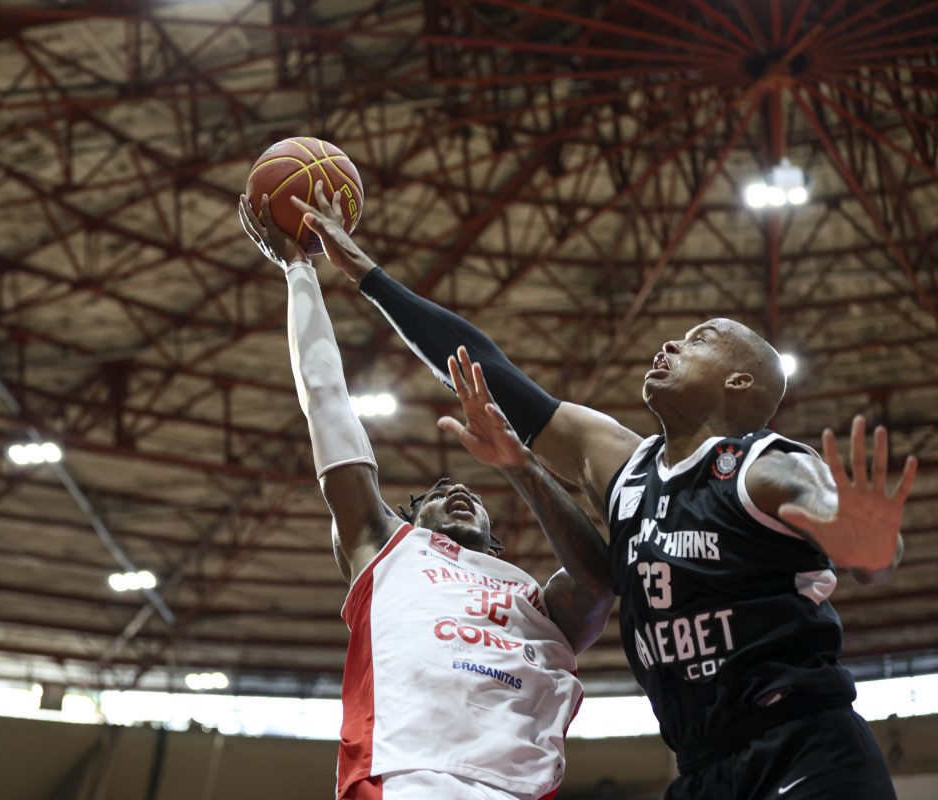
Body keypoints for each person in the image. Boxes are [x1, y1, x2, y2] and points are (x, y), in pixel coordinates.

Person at [291, 184, 919, 800]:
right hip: (702, 766)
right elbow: (488, 369)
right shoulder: (621, 463)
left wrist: (867, 542)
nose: (672, 343)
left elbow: (862, 547)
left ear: (737, 382)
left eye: (700, 339)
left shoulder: (763, 466)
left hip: (802, 743)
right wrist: (367, 274)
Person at [238, 192, 615, 800]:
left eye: (469, 492)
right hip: (406, 778)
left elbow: (600, 582)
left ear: (497, 541)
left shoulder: (535, 599)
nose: (459, 490)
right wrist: (299, 270)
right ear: (409, 519)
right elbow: (326, 397)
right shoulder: (385, 547)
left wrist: (522, 466)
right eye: (439, 492)